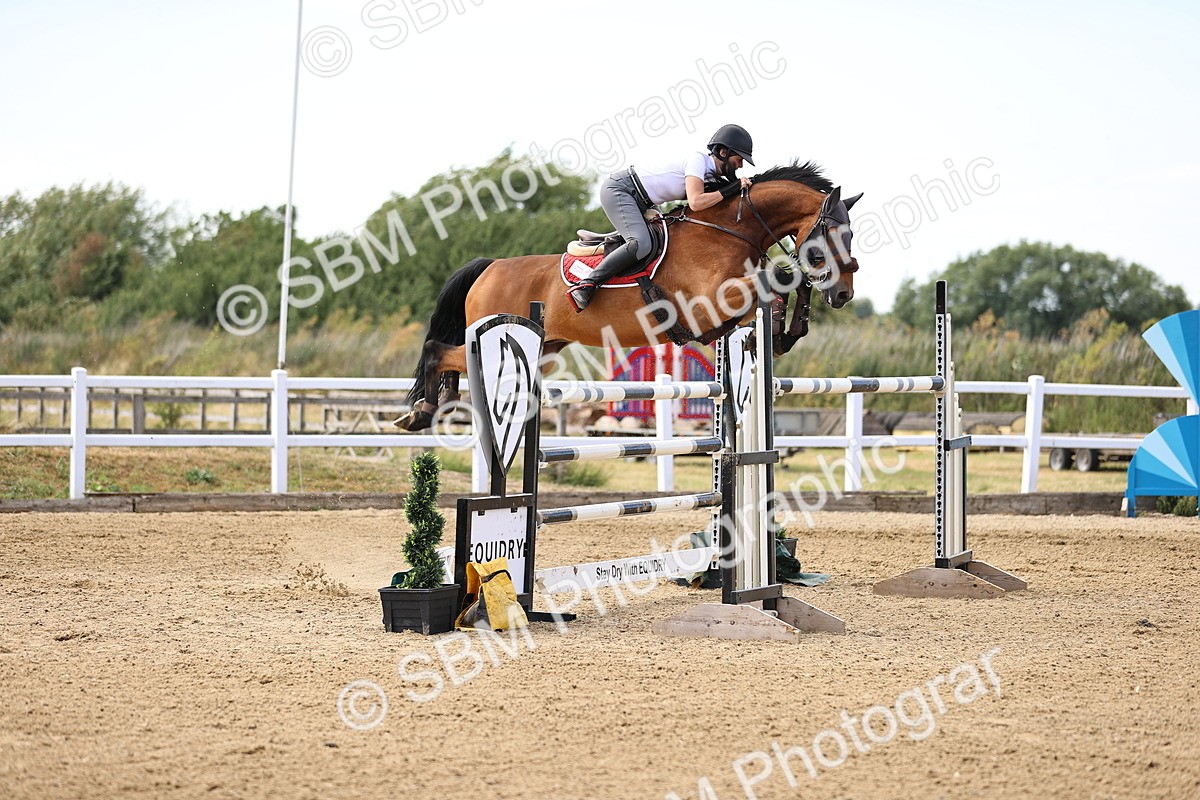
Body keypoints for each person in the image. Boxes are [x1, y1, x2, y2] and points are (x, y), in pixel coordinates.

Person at [566, 123, 756, 312]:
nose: (740, 165)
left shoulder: (711, 175)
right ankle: (587, 284)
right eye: (739, 159)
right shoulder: (698, 160)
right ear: (723, 152)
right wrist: (733, 187)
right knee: (641, 244)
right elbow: (696, 202)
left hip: (643, 202)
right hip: (621, 190)